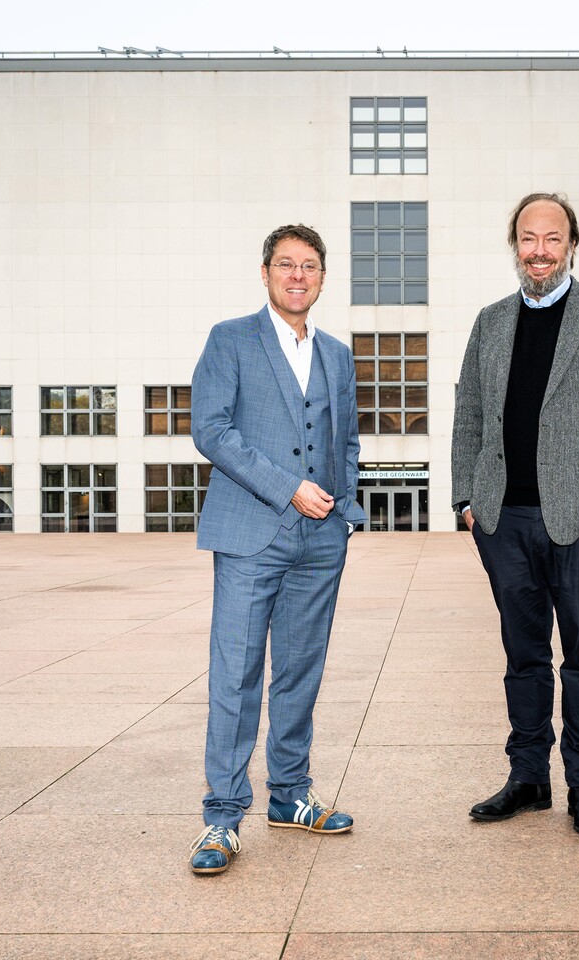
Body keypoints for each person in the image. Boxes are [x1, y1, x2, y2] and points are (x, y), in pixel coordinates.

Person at [452, 192, 579, 838]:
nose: (540, 251)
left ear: (571, 244)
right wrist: (466, 501)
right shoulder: (489, 323)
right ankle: (528, 777)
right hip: (503, 520)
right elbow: (469, 416)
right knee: (523, 655)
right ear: (514, 244)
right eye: (529, 239)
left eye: (553, 238)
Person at [187, 224, 368, 875]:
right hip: (248, 533)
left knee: (299, 671)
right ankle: (221, 817)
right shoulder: (230, 340)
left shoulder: (338, 356)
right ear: (265, 273)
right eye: (286, 265)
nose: (298, 275)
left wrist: (343, 511)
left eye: (309, 266)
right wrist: (286, 487)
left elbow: (346, 439)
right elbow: (209, 427)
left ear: (322, 278)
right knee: (235, 673)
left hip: (319, 542)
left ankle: (290, 797)